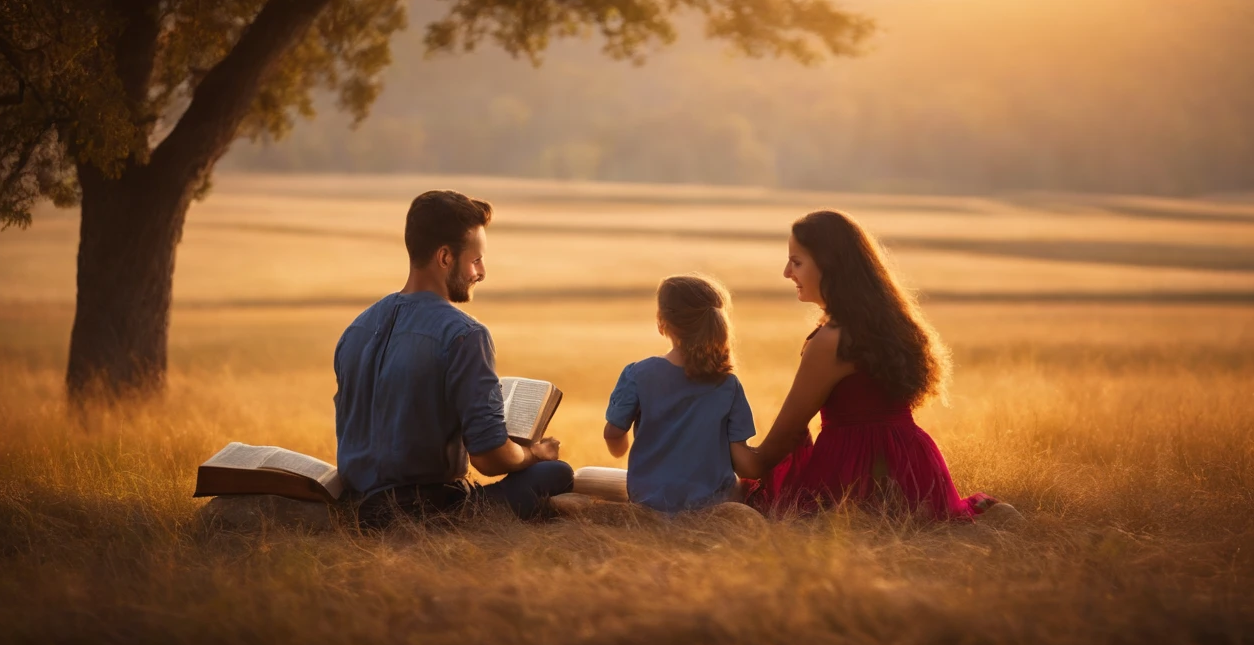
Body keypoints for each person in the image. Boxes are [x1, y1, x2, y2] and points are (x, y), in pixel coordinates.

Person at [734, 210, 1004, 520]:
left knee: (747, 503)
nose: (786, 272)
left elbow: (767, 455)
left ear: (830, 266)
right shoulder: (889, 324)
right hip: (917, 470)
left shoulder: (831, 341)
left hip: (857, 475)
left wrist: (718, 426)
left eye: (796, 262)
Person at [334, 190, 573, 527]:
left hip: (357, 506)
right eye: (476, 260)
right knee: (556, 473)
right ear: (445, 257)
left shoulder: (355, 329)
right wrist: (534, 453)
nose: (482, 271)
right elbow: (489, 458)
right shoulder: (464, 334)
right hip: (427, 511)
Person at [602, 275, 758, 513]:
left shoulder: (638, 374)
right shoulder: (728, 384)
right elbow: (742, 460)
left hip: (650, 500)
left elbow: (614, 434)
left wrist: (619, 447)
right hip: (713, 502)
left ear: (661, 321)